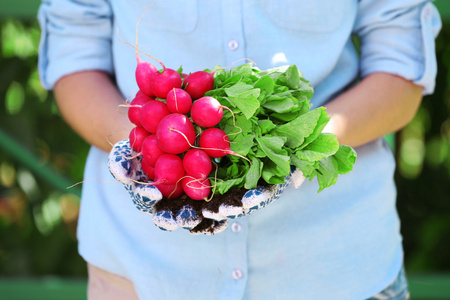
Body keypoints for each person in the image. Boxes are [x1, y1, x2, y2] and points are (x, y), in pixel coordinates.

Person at [37, 1, 441, 299]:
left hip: (336, 270)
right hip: (144, 274)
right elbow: (75, 56)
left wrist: (298, 144)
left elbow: (400, 67)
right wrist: (148, 144)